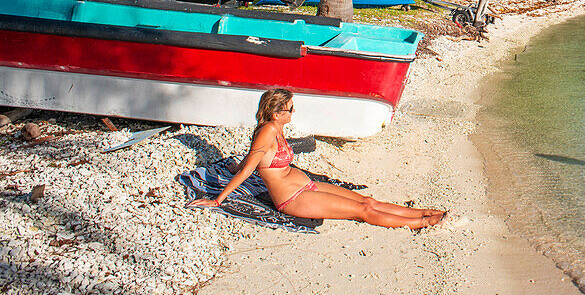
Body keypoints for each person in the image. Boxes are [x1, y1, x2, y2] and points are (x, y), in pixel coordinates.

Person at [187, 88, 446, 229]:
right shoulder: (266, 133)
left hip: (305, 185)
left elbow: (249, 160)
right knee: (363, 211)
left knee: (368, 200)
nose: (293, 113)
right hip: (293, 199)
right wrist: (217, 200)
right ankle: (421, 223)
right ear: (276, 113)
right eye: (290, 109)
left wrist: (236, 164)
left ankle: (425, 212)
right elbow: (247, 171)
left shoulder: (276, 127)